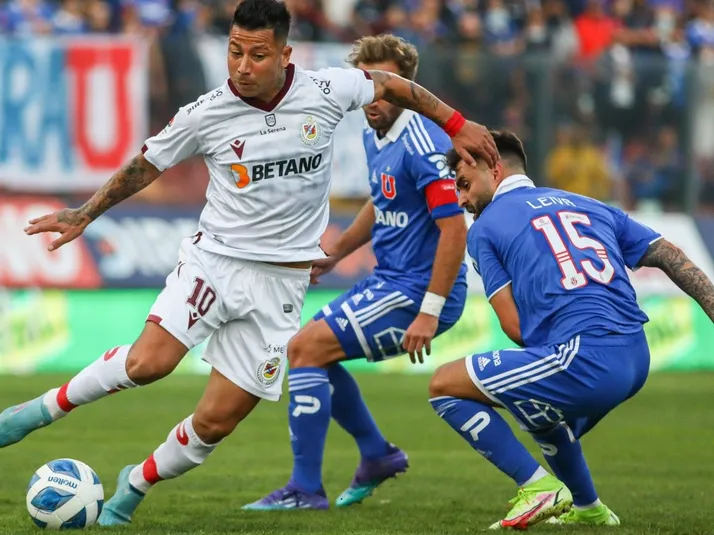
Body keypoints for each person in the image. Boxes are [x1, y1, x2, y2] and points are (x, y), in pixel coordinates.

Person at [0, 0, 498, 526]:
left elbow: (393, 86)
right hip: (215, 262)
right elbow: (145, 165)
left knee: (215, 423)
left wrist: (457, 124)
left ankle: (136, 483)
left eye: (257, 55)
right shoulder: (206, 112)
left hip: (281, 285)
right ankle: (38, 411)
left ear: (284, 55)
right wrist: (85, 213)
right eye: (234, 51)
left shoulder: (327, 90)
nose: (242, 66)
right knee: (149, 364)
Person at [427, 130, 714, 529]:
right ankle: (589, 507)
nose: (461, 199)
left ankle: (538, 487)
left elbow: (513, 326)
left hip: (585, 357)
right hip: (636, 355)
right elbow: (669, 254)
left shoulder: (485, 228)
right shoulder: (590, 205)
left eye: (463, 184)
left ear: (493, 168)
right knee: (537, 410)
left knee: (444, 385)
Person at [243, 34, 468, 511]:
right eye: (369, 84)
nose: (375, 97)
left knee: (304, 348)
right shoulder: (374, 132)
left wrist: (430, 311)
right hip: (391, 281)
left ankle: (306, 488)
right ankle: (375, 454)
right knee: (312, 352)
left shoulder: (424, 143)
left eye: (386, 86)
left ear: (407, 88)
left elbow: (454, 230)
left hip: (418, 291)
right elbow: (382, 199)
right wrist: (336, 252)